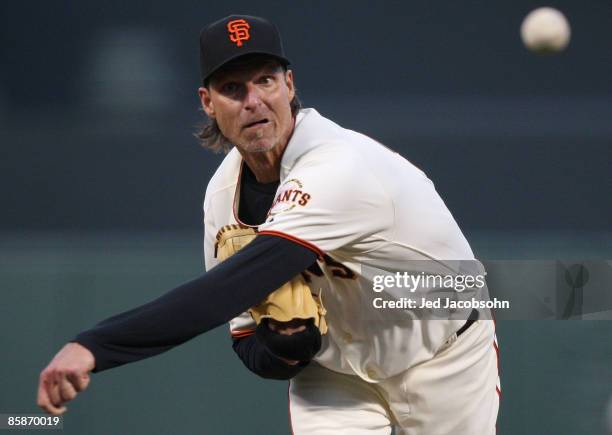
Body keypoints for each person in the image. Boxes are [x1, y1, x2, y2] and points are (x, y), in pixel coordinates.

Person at [37, 14, 500, 434]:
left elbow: (225, 291)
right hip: (337, 376)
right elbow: (245, 338)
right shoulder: (223, 197)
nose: (254, 101)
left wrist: (96, 346)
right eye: (233, 89)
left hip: (444, 352)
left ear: (290, 84)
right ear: (208, 102)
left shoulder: (339, 164)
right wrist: (286, 349)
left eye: (265, 81)